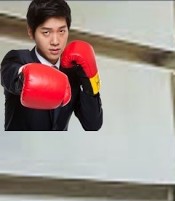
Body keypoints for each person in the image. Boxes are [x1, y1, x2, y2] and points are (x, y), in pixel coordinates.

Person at [1, 0, 102, 131]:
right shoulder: (18, 59)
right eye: (46, 32)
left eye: (61, 31)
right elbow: (10, 76)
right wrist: (24, 77)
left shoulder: (72, 72)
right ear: (31, 32)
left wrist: (90, 83)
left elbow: (93, 125)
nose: (55, 42)